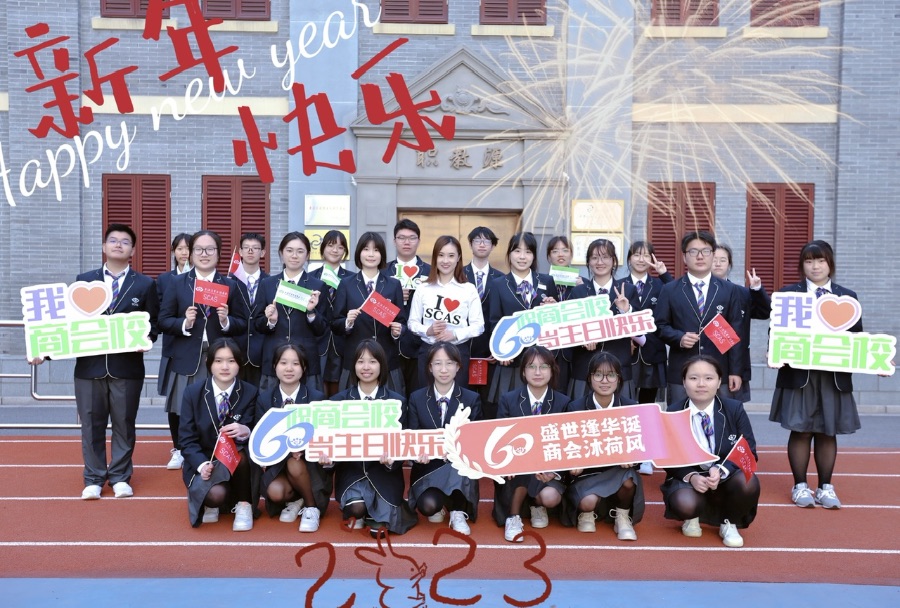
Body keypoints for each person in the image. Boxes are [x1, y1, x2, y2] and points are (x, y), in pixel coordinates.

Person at [769, 240, 861, 510]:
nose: (815, 266)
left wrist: (876, 361)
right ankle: (799, 485)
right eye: (809, 261)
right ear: (802, 266)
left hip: (833, 376)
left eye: (820, 260)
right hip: (800, 375)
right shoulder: (788, 295)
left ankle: (825, 487)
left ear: (830, 264)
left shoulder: (848, 297)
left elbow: (857, 339)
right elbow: (776, 332)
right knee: (800, 430)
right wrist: (773, 352)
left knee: (827, 432)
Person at [74, 224, 159, 499]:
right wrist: (45, 352)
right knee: (91, 424)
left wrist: (146, 339)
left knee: (124, 423)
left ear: (132, 250)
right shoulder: (84, 281)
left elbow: (153, 323)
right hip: (89, 367)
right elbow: (69, 324)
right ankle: (94, 479)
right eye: (113, 240)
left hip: (127, 367)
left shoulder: (145, 284)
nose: (118, 245)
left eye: (125, 242)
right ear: (104, 247)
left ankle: (121, 477)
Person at [661, 356, 760, 548]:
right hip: (690, 478)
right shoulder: (673, 411)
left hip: (725, 476)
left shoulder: (734, 409)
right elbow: (667, 457)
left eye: (708, 378)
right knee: (685, 503)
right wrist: (691, 476)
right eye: (693, 378)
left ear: (719, 381)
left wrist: (722, 470)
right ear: (684, 382)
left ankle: (729, 522)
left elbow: (749, 450)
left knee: (748, 481)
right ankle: (692, 516)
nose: (701, 384)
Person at [159, 230, 248, 443]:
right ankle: (180, 449)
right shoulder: (177, 283)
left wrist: (226, 321)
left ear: (218, 253)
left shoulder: (231, 285)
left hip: (219, 357)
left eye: (210, 249)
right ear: (191, 254)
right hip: (187, 355)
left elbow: (243, 323)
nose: (204, 254)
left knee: (217, 407)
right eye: (199, 249)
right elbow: (163, 320)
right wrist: (183, 323)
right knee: (181, 408)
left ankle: (217, 448)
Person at [329, 340, 418, 537]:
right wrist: (328, 459)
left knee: (379, 532)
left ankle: (376, 511)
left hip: (384, 474)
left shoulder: (396, 402)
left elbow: (402, 441)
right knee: (355, 509)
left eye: (372, 361)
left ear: (382, 365)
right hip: (352, 472)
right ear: (353, 365)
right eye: (361, 361)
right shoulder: (338, 402)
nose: (366, 367)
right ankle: (362, 509)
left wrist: (392, 460)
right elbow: (330, 443)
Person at [654, 231, 745, 405]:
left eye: (706, 251)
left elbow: (736, 332)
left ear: (712, 254)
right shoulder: (670, 289)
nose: (700, 256)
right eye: (693, 251)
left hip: (719, 370)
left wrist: (735, 371)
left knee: (720, 417)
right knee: (679, 417)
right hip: (681, 370)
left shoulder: (729, 290)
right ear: (684, 257)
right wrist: (679, 338)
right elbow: (659, 326)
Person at [178, 338, 258, 530]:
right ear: (209, 363)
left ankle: (244, 504)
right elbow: (186, 439)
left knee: (240, 452)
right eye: (219, 361)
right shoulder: (193, 393)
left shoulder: (250, 392)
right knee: (215, 496)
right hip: (206, 460)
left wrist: (246, 430)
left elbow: (258, 429)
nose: (225, 367)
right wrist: (201, 465)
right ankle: (215, 502)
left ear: (239, 363)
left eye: (231, 361)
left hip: (238, 466)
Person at [494, 346, 571, 542]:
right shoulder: (508, 400)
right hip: (516, 466)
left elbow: (567, 444)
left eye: (544, 367)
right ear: (523, 371)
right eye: (531, 366)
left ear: (552, 370)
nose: (537, 372)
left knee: (551, 497)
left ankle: (537, 505)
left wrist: (554, 472)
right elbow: (500, 439)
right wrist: (510, 463)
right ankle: (513, 517)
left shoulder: (563, 403)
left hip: (547, 467)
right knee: (521, 463)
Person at [565, 352, 643, 540]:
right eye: (598, 374)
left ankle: (622, 516)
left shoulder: (631, 407)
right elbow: (569, 446)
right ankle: (586, 513)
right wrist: (574, 462)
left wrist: (632, 458)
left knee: (629, 480)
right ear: (589, 378)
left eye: (611, 375)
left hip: (617, 471)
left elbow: (640, 451)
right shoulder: (575, 407)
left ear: (619, 378)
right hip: (587, 474)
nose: (605, 381)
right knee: (587, 502)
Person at [407, 342, 483, 535]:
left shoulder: (471, 398)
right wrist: (416, 456)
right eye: (438, 363)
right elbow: (413, 436)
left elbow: (476, 441)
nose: (443, 369)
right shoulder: (416, 398)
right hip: (428, 467)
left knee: (459, 464)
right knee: (428, 506)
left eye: (449, 363)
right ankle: (443, 503)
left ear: (458, 366)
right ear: (429, 367)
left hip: (459, 467)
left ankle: (458, 510)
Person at [253, 344, 329, 533]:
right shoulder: (265, 399)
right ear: (274, 366)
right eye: (283, 363)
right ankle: (298, 499)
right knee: (275, 492)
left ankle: (311, 507)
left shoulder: (316, 398)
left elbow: (324, 434)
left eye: (295, 364)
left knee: (294, 463)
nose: (289, 368)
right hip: (278, 465)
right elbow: (261, 438)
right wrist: (287, 451)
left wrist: (304, 449)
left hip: (308, 465)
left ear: (304, 368)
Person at [486, 232, 558, 405]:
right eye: (517, 251)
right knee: (512, 408)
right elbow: (494, 321)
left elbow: (555, 321)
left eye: (528, 252)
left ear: (534, 256)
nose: (522, 257)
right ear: (509, 254)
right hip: (512, 360)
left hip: (541, 361)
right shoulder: (498, 284)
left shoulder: (547, 281)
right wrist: (501, 351)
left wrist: (554, 307)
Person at [332, 232, 407, 394]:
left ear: (382, 254)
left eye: (376, 250)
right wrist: (347, 322)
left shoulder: (393, 284)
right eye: (366, 249)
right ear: (359, 253)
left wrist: (397, 331)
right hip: (356, 360)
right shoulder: (346, 284)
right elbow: (335, 323)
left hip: (386, 359)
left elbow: (402, 322)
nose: (371, 254)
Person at [408, 235, 484, 389]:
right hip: (428, 351)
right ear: (435, 258)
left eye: (451, 256)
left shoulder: (468, 289)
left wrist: (454, 334)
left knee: (457, 397)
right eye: (441, 255)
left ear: (458, 258)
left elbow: (479, 326)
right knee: (426, 396)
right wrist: (428, 330)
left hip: (457, 352)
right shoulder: (423, 288)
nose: (445, 261)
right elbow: (412, 323)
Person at [256, 232, 327, 392]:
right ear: (281, 253)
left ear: (307, 255)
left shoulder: (317, 286)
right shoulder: (267, 284)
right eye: (289, 250)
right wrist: (271, 320)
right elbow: (257, 324)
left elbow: (323, 329)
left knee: (307, 405)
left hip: (306, 361)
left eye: (300, 251)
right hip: (274, 359)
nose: (294, 255)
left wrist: (311, 313)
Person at [568, 238, 638, 400]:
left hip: (618, 368)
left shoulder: (628, 290)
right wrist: (582, 338)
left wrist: (625, 311)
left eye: (605, 257)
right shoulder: (578, 292)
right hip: (585, 368)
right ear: (588, 262)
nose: (600, 262)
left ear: (614, 261)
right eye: (594, 258)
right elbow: (569, 328)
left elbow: (641, 333)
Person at [711, 244, 772, 402]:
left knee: (730, 410)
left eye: (722, 260)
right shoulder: (697, 292)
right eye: (714, 259)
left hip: (733, 362)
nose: (718, 263)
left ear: (729, 264)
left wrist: (757, 289)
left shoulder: (741, 293)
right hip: (705, 359)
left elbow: (764, 312)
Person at [156, 232, 192, 471]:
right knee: (174, 402)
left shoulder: (206, 280)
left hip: (198, 350)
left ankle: (196, 448)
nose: (184, 253)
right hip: (173, 349)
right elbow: (161, 315)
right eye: (179, 248)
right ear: (173, 252)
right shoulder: (164, 280)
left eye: (188, 248)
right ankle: (178, 449)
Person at [622, 240, 673, 406]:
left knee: (648, 403)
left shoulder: (660, 285)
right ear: (629, 258)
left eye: (645, 255)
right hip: (626, 351)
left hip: (653, 350)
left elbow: (678, 296)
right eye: (636, 255)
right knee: (625, 399)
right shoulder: (620, 285)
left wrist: (664, 274)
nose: (641, 259)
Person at [386, 219, 431, 395]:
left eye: (412, 238)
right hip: (388, 343)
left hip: (420, 345)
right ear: (394, 241)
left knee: (418, 395)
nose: (407, 242)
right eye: (402, 238)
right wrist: (394, 296)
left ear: (419, 241)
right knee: (392, 396)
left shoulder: (430, 272)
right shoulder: (384, 271)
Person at [463, 226, 504, 417]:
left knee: (489, 401)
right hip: (464, 347)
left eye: (486, 240)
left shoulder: (501, 279)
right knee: (465, 400)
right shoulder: (458, 275)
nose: (481, 244)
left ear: (493, 246)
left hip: (491, 351)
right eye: (477, 240)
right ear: (470, 244)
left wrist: (498, 348)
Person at [309, 230, 352, 397]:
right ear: (322, 249)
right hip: (317, 341)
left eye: (340, 247)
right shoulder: (310, 278)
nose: (335, 250)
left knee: (341, 388)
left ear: (345, 252)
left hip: (343, 341)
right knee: (317, 388)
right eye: (331, 245)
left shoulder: (352, 279)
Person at [231, 232, 269, 387]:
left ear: (263, 252)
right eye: (246, 247)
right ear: (240, 252)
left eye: (255, 248)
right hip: (235, 351)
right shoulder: (229, 282)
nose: (250, 251)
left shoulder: (272, 282)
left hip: (262, 352)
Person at [545, 236, 581, 394]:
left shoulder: (583, 284)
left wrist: (580, 291)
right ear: (548, 256)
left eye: (565, 250)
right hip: (547, 348)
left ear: (571, 255)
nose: (560, 254)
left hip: (573, 350)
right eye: (555, 251)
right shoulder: (540, 282)